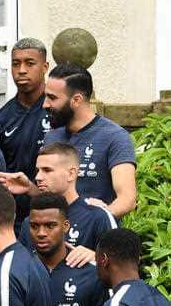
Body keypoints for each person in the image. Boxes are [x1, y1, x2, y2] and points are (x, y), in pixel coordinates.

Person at [42, 64, 137, 218]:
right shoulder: (52, 138)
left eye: (52, 98)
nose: (45, 104)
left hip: (95, 240)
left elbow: (127, 199)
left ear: (76, 100)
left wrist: (96, 220)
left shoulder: (115, 137)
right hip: (55, 236)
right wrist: (29, 188)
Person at [1, 142, 117, 250]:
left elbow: (118, 264)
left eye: (47, 170)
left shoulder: (97, 218)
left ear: (71, 174)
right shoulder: (30, 222)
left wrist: (94, 257)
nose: (38, 177)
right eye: (38, 170)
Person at [0, 38, 51, 226]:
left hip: (51, 212)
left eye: (30, 63)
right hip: (14, 217)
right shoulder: (2, 118)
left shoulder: (56, 110)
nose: (22, 70)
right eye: (16, 64)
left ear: (45, 67)